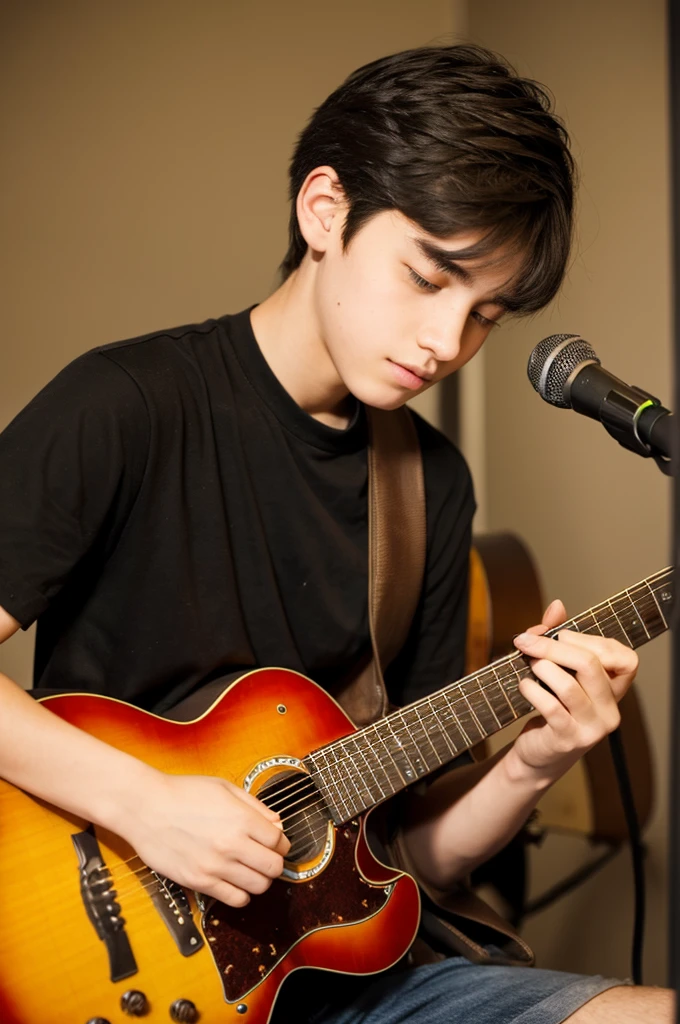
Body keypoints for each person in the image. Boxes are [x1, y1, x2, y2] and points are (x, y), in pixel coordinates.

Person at [0, 43, 673, 1024]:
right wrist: (148, 804)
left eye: (482, 312)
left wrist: (536, 757)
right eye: (427, 277)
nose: (447, 343)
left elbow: (408, 861)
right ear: (324, 211)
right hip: (102, 968)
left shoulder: (429, 487)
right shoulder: (124, 406)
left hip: (337, 974)